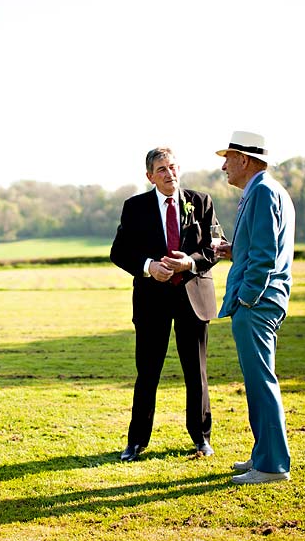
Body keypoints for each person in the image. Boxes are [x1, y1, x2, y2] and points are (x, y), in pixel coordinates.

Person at [110, 147, 220, 461]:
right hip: (151, 301)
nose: (169, 173)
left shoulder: (201, 202)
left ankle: (201, 439)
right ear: (150, 176)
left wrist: (191, 262)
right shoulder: (135, 207)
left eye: (172, 167)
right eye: (161, 169)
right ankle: (136, 442)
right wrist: (148, 267)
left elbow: (215, 248)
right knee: (147, 372)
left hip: (194, 299)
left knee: (195, 372)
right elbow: (119, 252)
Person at [214, 131, 295, 484]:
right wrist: (234, 251)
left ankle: (272, 465)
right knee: (257, 380)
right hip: (262, 300)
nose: (223, 166)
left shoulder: (262, 191)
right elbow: (261, 245)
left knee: (261, 382)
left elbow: (265, 256)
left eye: (228, 158)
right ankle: (262, 455)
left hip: (257, 304)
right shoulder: (268, 190)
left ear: (244, 160)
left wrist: (247, 299)